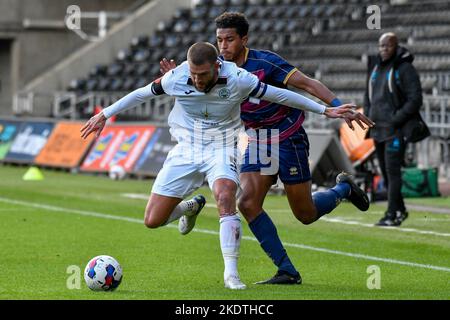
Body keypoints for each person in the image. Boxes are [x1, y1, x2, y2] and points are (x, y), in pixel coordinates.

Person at [80, 42, 365, 290]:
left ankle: (232, 274)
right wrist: (105, 114)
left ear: (217, 66)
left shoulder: (239, 78)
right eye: (193, 74)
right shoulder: (176, 78)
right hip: (187, 148)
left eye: (203, 75)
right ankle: (190, 208)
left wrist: (325, 109)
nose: (197, 80)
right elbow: (141, 94)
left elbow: (280, 94)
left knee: (230, 196)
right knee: (153, 220)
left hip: (223, 146)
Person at [160, 12, 375, 285]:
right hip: (258, 140)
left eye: (229, 40)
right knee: (247, 203)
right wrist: (175, 81)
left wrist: (340, 106)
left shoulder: (266, 62)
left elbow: (308, 84)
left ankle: (343, 189)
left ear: (244, 39)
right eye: (219, 40)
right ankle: (286, 270)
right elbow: (198, 90)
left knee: (305, 214)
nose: (223, 46)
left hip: (287, 136)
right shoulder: (216, 68)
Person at [364, 32, 423, 227]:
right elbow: (368, 94)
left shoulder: (404, 68)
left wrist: (395, 119)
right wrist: (366, 115)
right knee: (386, 173)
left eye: (388, 46)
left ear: (396, 46)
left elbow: (415, 99)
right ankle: (400, 210)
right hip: (377, 129)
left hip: (395, 130)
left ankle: (391, 214)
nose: (384, 50)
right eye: (381, 46)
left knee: (393, 171)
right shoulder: (375, 68)